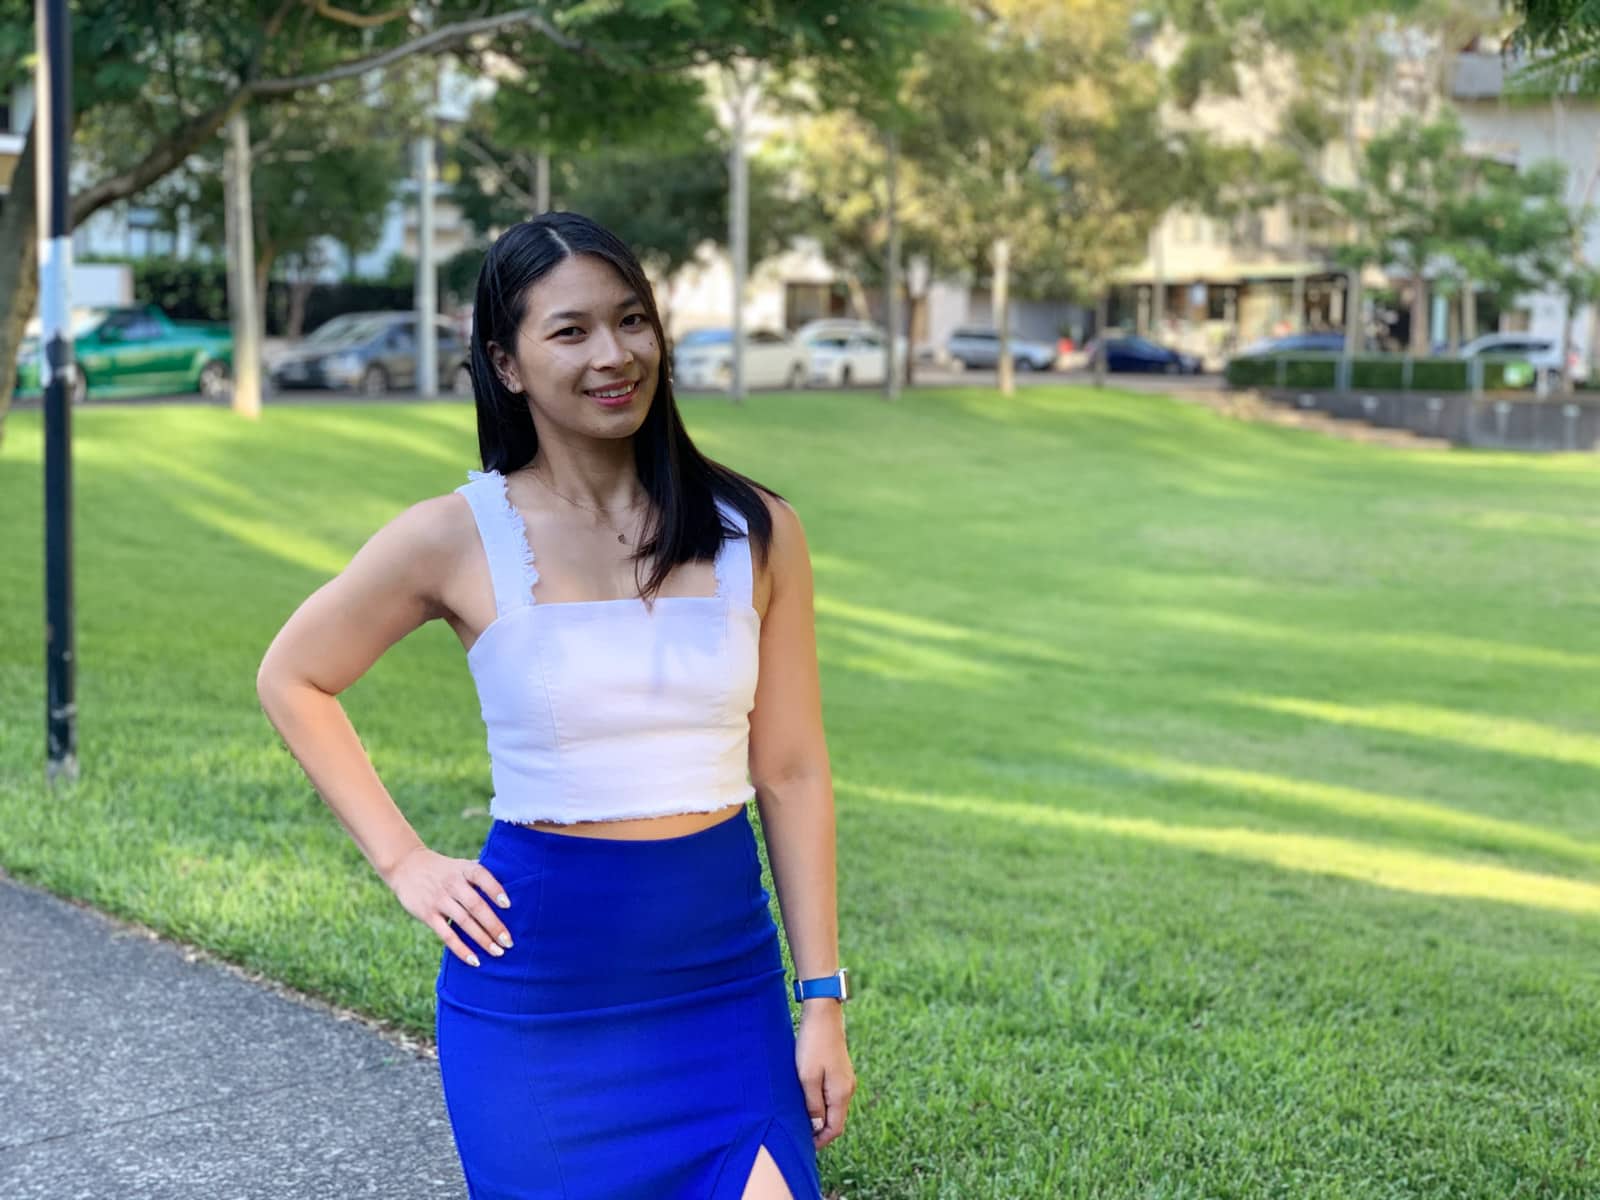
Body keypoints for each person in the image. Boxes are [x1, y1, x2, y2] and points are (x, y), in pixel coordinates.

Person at [255, 211, 855, 1199]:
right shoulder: (451, 537)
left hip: (722, 984)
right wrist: (404, 862)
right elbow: (293, 676)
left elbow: (789, 771)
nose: (613, 355)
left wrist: (821, 997)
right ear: (508, 363)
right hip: (538, 1001)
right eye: (570, 331)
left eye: (631, 321)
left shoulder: (756, 529)